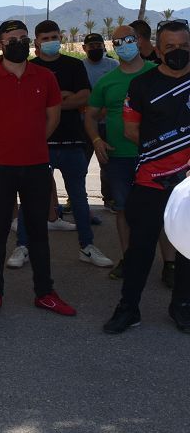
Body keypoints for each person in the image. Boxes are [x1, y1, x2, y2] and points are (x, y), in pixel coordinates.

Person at [0, 20, 76, 318]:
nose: (18, 42)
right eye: (11, 38)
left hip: (37, 166)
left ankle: (45, 292)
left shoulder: (45, 77)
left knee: (39, 232)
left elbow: (52, 117)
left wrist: (35, 142)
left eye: (22, 38)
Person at [103, 19, 190, 334]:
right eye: (170, 47)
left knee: (187, 248)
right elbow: (131, 129)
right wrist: (163, 156)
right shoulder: (142, 85)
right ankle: (128, 309)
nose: (177, 52)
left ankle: (182, 306)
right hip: (151, 180)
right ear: (157, 47)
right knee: (140, 248)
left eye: (183, 47)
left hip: (188, 187)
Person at [11, 20, 112, 269]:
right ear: (36, 42)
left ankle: (87, 246)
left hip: (73, 142)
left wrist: (49, 101)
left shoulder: (74, 65)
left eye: (54, 36)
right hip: (39, 144)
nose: (50, 42)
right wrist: (65, 97)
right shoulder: (29, 68)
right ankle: (22, 246)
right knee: (30, 197)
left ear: (62, 37)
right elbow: (26, 104)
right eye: (44, 38)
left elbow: (85, 97)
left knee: (79, 197)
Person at [85, 26, 155, 281]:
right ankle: (128, 260)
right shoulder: (107, 81)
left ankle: (169, 263)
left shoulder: (156, 73)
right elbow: (90, 116)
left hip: (154, 156)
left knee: (160, 211)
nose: (123, 45)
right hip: (119, 158)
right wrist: (96, 140)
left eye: (128, 40)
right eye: (117, 42)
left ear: (137, 41)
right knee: (123, 210)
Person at [82, 33, 118, 210]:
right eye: (91, 46)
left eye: (98, 45)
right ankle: (76, 199)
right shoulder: (79, 67)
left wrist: (104, 110)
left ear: (104, 46)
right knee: (81, 166)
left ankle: (109, 199)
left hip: (109, 125)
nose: (95, 48)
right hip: (86, 125)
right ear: (84, 48)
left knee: (108, 165)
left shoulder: (113, 65)